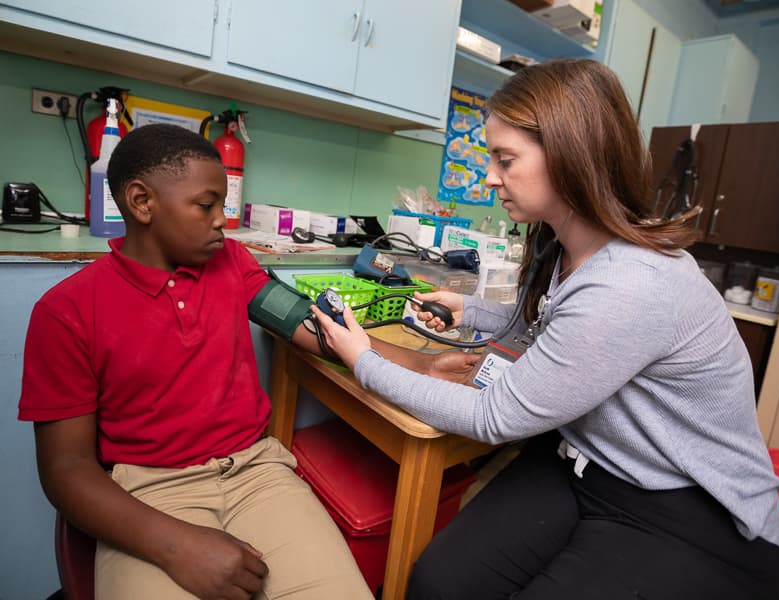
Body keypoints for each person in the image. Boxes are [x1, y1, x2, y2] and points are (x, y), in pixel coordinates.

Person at [310, 59, 779, 600]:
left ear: (571, 156)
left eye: (505, 159)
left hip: (687, 512)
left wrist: (363, 360)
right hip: (586, 463)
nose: (491, 176)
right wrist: (468, 308)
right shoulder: (563, 245)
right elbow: (553, 321)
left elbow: (493, 417)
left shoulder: (631, 284)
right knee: (438, 583)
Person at [17, 123, 473, 600]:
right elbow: (66, 469)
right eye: (206, 205)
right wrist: (177, 547)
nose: (222, 220)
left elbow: (313, 325)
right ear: (141, 202)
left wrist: (418, 365)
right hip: (149, 494)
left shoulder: (233, 262)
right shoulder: (67, 311)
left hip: (257, 473)